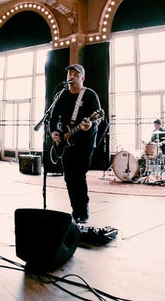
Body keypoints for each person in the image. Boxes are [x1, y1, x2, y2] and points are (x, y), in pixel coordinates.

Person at [50, 64, 102, 223]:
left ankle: (83, 210)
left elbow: (98, 117)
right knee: (68, 177)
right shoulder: (62, 95)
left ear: (82, 78)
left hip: (85, 142)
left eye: (75, 74)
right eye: (69, 74)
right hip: (66, 141)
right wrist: (54, 132)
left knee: (79, 175)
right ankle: (75, 210)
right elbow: (53, 117)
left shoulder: (90, 95)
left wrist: (91, 124)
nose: (71, 76)